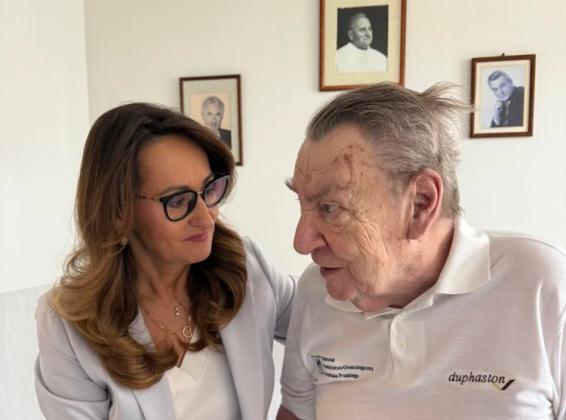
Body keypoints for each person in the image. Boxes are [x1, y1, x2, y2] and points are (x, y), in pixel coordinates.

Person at [277, 82, 566, 419]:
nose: (301, 242)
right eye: (302, 203)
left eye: (330, 208)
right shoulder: (317, 289)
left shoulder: (540, 284)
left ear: (420, 204)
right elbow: (296, 413)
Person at [35, 103, 295, 420]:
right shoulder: (68, 324)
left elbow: (325, 325)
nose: (206, 218)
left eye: (208, 189)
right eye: (178, 200)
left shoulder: (246, 267)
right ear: (118, 211)